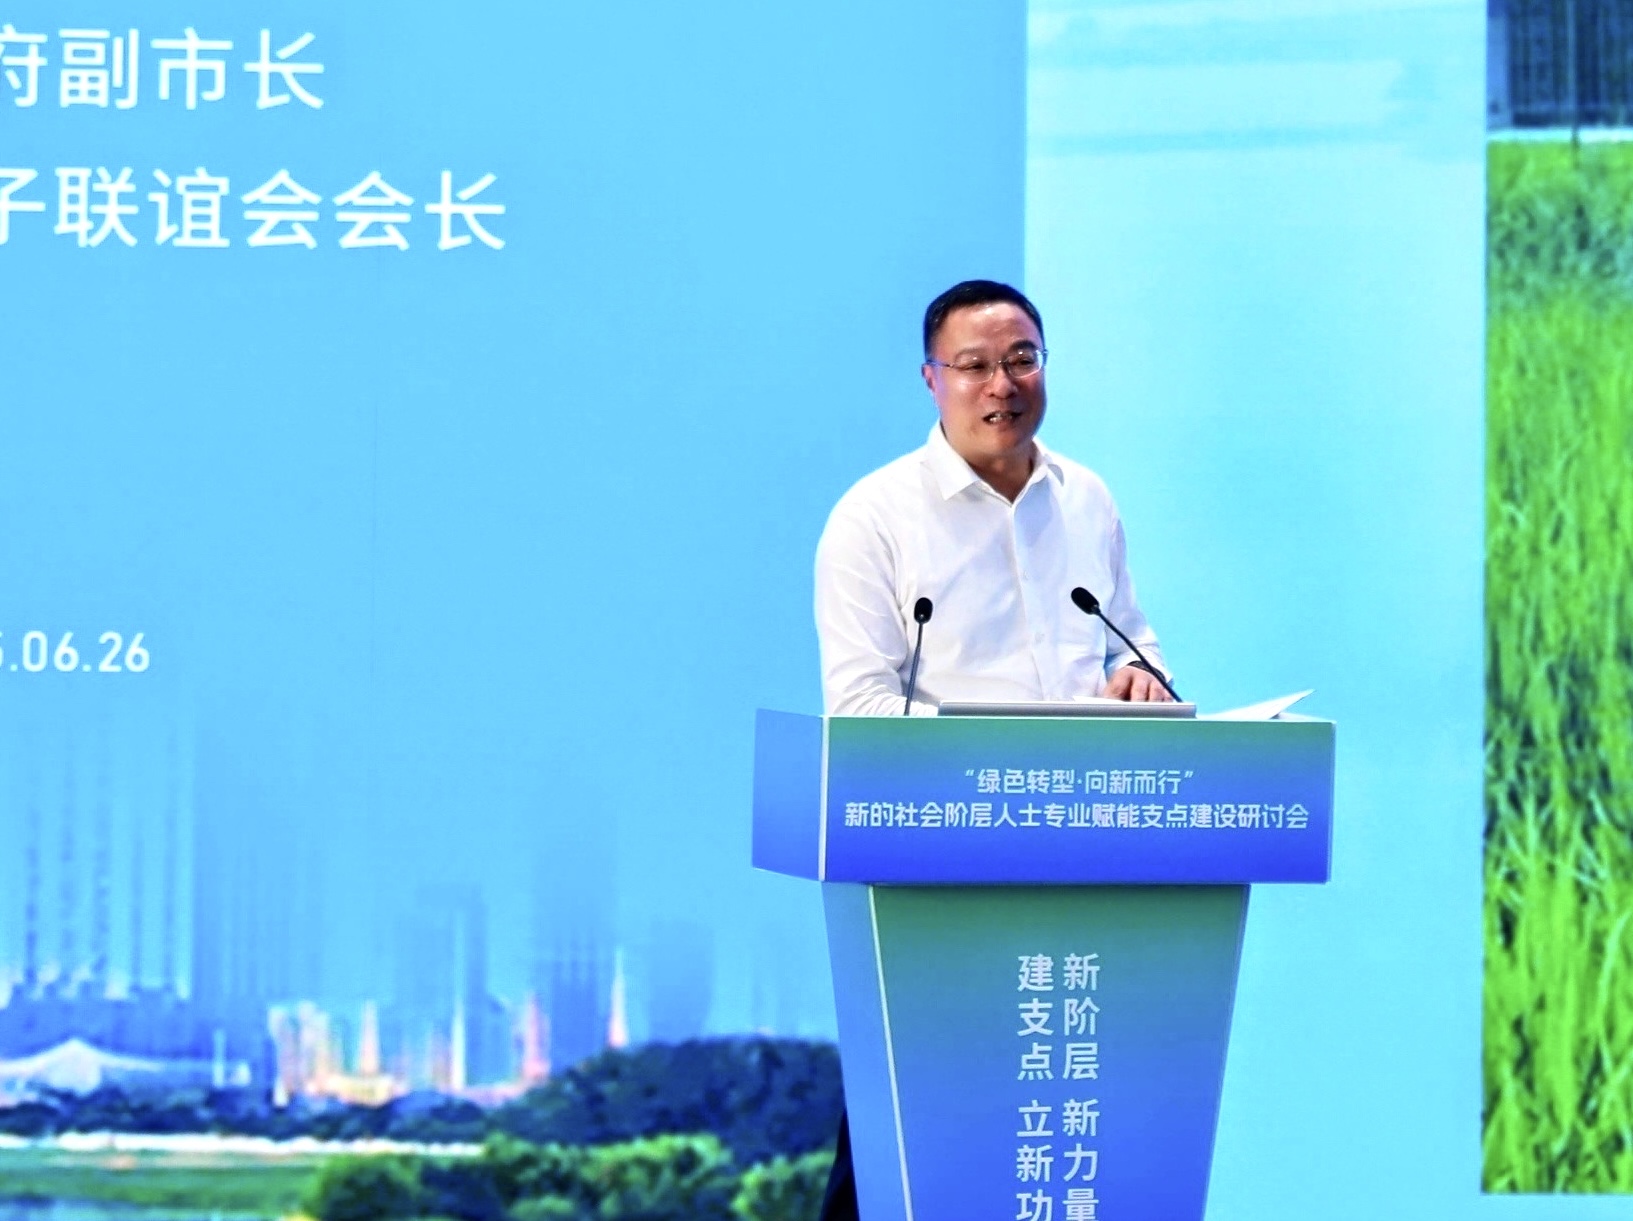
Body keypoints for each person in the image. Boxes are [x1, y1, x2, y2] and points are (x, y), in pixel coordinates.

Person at [812, 280, 1173, 1220]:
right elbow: (858, 707)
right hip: (937, 870)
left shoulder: (1086, 498)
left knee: (1060, 1126)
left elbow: (1130, 643)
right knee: (907, 1134)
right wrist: (989, 771)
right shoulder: (874, 516)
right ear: (930, 378)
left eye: (1021, 360)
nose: (1001, 385)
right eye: (973, 365)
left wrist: (1141, 681)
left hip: (1085, 855)